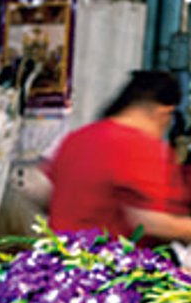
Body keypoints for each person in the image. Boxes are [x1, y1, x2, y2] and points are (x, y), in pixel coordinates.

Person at [44, 70, 191, 246]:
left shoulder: (77, 138)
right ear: (163, 113)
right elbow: (148, 222)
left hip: (58, 260)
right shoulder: (140, 146)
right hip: (110, 265)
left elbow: (47, 195)